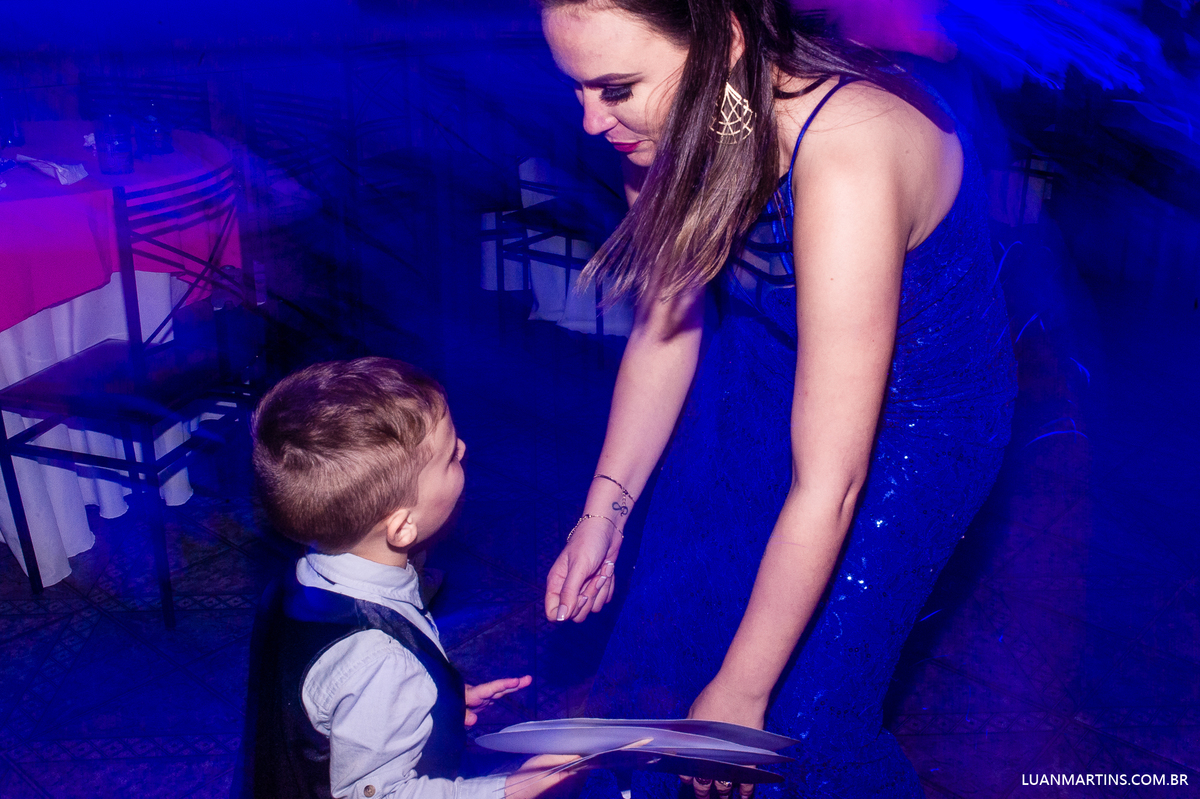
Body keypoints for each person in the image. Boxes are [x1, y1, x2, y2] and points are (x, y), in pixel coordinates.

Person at [538, 1, 1016, 796]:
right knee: (681, 620)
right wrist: (604, 516)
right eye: (577, 88)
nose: (592, 120)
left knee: (804, 722)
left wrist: (743, 692)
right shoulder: (660, 128)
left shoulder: (845, 154)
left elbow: (831, 481)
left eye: (616, 87)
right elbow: (666, 331)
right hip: (767, 356)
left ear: (722, 41)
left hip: (925, 423)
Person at [239, 357, 577, 799]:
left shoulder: (298, 581)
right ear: (402, 528)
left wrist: (433, 702)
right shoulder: (380, 662)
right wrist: (515, 787)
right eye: (449, 457)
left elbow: (320, 698)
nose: (463, 450)